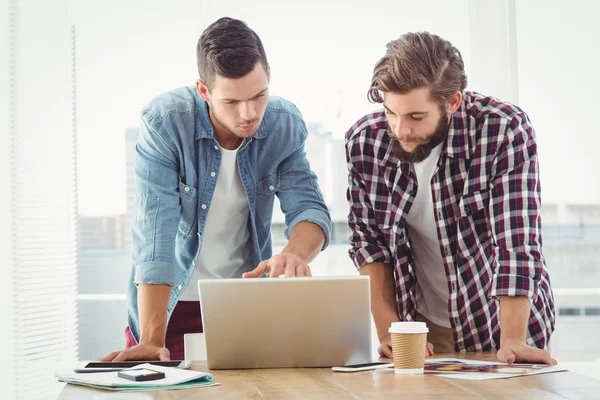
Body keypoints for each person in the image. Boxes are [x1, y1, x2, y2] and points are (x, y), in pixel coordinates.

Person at [100, 17, 332, 362]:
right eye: (232, 102)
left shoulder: (283, 123)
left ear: (269, 73)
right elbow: (155, 235)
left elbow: (310, 210)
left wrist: (295, 254)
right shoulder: (166, 122)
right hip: (166, 309)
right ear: (204, 90)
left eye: (259, 95)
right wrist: (151, 338)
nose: (250, 113)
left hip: (243, 305)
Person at [345, 32, 556, 365]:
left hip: (502, 323)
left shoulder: (503, 130)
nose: (400, 131)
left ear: (452, 102)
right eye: (391, 113)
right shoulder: (364, 143)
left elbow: (515, 243)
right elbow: (370, 246)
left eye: (415, 117)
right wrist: (389, 332)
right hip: (421, 328)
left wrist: (513, 337)